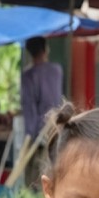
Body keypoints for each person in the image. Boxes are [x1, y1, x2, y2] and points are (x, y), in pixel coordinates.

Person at [19, 36, 65, 188]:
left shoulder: (28, 76)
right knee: (52, 166)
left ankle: (33, 195)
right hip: (56, 126)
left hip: (39, 129)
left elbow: (29, 107)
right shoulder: (56, 71)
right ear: (45, 50)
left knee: (35, 172)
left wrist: (30, 136)